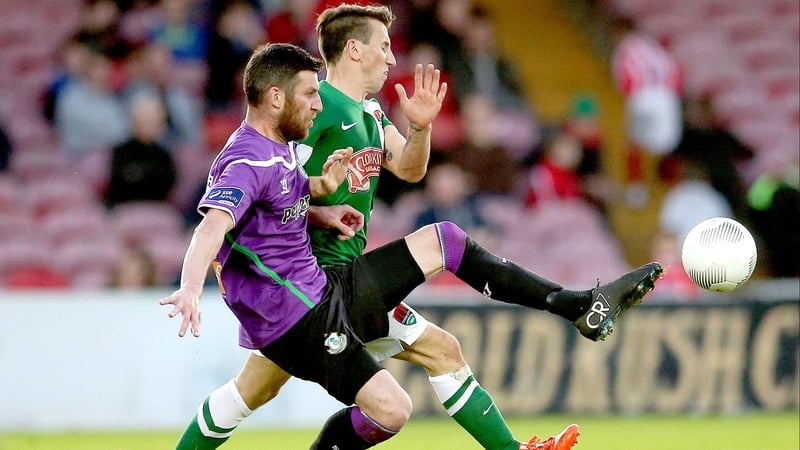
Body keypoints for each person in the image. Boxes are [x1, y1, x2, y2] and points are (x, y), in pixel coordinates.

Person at [167, 5, 664, 450]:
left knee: (264, 389)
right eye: (383, 46)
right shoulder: (314, 110)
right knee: (442, 243)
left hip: (326, 286)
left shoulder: (368, 112)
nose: (390, 58)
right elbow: (261, 190)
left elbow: (408, 168)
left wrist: (421, 127)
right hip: (317, 282)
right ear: (354, 49)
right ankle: (575, 305)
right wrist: (206, 272)